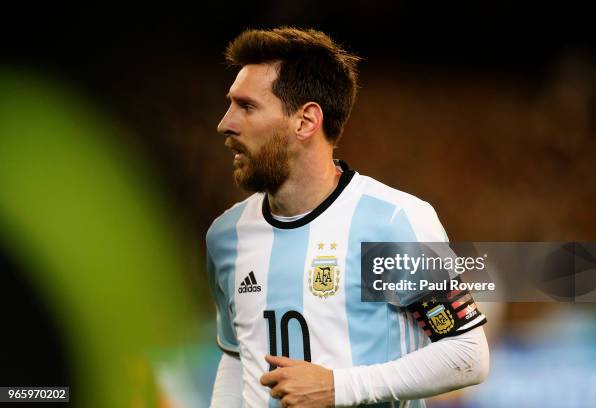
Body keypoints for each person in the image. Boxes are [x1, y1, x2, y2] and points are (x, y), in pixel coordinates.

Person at [207, 27, 489, 408]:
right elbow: (237, 359)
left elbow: (468, 354)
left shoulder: (391, 223)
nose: (226, 123)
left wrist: (340, 387)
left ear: (305, 121)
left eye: (247, 106)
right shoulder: (227, 237)